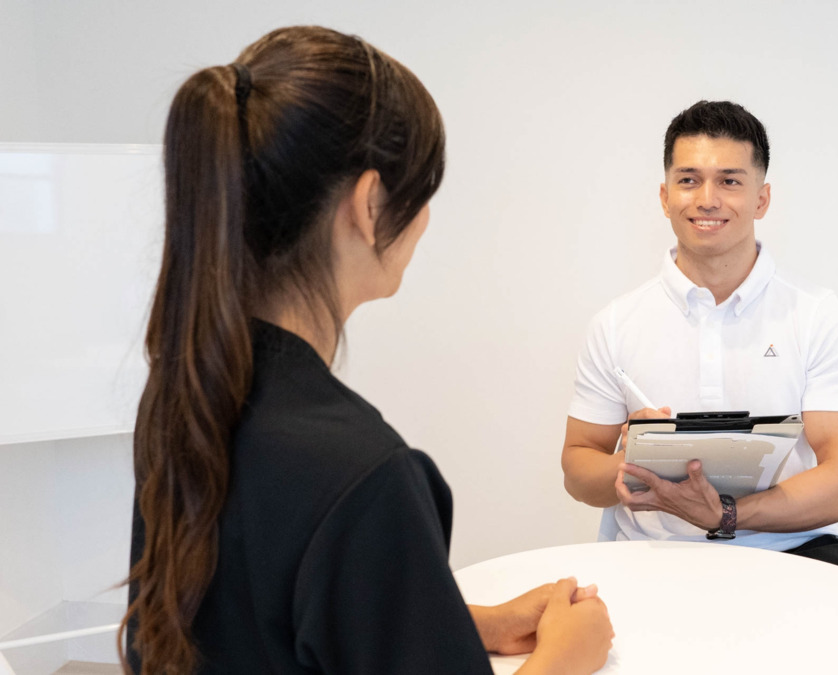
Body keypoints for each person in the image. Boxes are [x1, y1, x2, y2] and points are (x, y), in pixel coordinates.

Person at [119, 26, 613, 674]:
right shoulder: (365, 479)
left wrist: (460, 619)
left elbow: (263, 623)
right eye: (424, 193)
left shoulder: (186, 398)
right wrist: (568, 655)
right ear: (370, 203)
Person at [561, 100, 838, 673]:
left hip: (794, 553)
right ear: (665, 195)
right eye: (688, 179)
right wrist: (632, 470)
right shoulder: (617, 323)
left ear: (761, 199)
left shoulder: (817, 316)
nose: (707, 199)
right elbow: (578, 467)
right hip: (653, 557)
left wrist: (726, 514)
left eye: (730, 181)